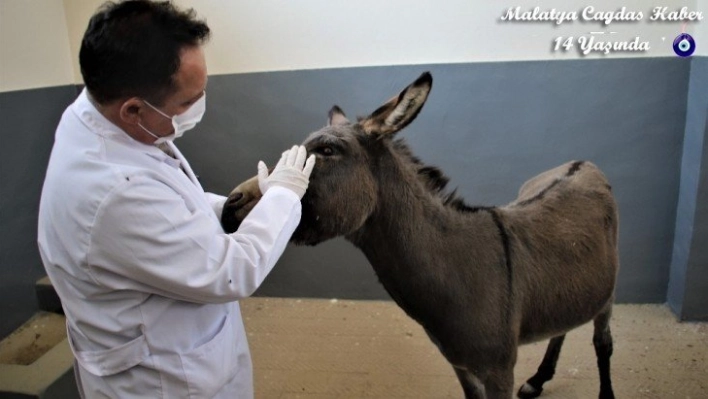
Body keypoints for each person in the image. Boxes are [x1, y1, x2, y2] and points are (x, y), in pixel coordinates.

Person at [37, 1, 315, 397]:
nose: (198, 106)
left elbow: (165, 201)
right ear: (133, 109)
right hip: (162, 380)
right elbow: (232, 271)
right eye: (187, 102)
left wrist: (229, 207)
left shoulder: (94, 113)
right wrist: (285, 196)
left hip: (169, 341)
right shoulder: (115, 191)